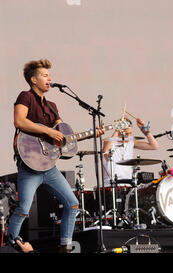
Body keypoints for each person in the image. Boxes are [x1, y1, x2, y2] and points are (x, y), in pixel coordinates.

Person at [10, 59, 104, 253]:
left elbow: (65, 136)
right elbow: (19, 121)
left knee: (73, 204)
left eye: (49, 75)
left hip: (49, 167)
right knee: (23, 210)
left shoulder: (52, 106)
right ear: (33, 79)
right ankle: (11, 244)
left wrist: (91, 133)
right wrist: (49, 132)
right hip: (29, 166)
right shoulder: (25, 97)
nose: (49, 78)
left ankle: (65, 246)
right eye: (44, 75)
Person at [101, 117, 159, 186]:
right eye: (126, 133)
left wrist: (145, 131)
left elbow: (154, 146)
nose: (129, 136)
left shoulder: (131, 143)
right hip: (110, 184)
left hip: (128, 184)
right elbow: (105, 150)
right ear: (120, 132)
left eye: (130, 133)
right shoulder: (109, 142)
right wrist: (116, 130)